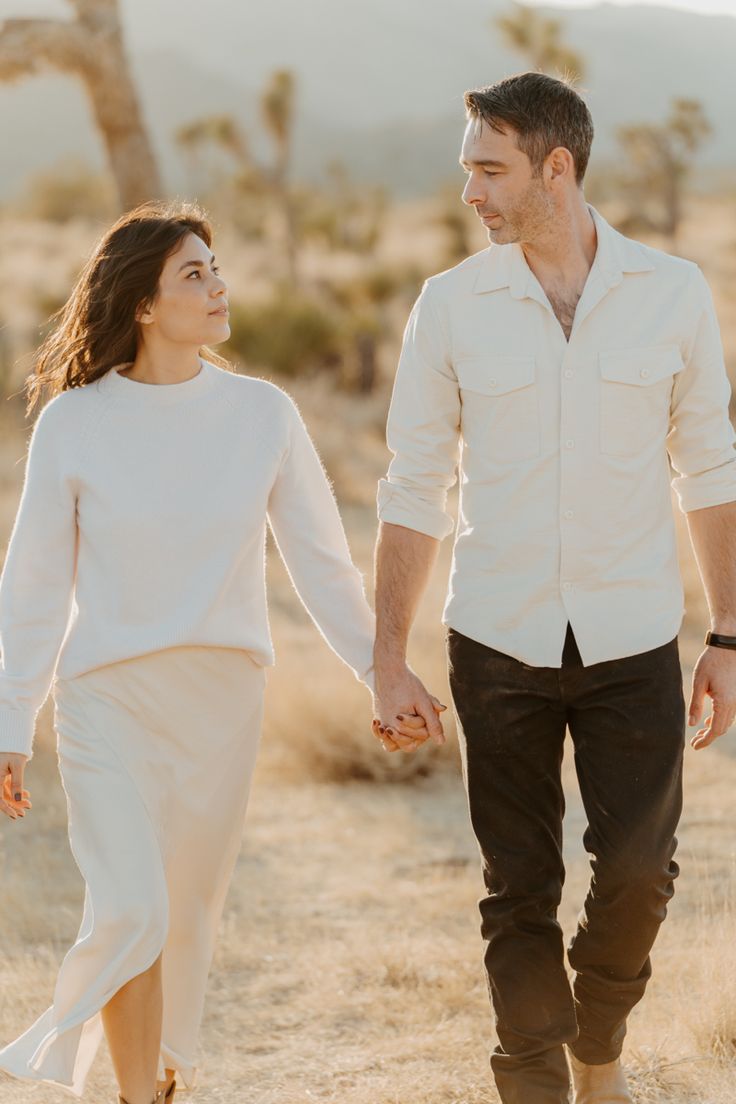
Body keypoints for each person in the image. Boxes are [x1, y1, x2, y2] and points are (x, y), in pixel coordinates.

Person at [371, 72, 736, 1104]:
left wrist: (728, 635)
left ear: (556, 169)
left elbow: (709, 466)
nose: (470, 193)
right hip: (495, 641)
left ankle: (598, 1046)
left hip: (631, 642)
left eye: (488, 170)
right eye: (466, 171)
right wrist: (386, 655)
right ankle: (529, 1080)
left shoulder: (670, 295)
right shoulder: (448, 306)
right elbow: (413, 481)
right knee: (516, 891)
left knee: (636, 877)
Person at [0, 201, 383, 1104]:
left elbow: (323, 564)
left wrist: (382, 672)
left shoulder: (262, 414)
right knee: (132, 906)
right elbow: (34, 586)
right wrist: (10, 720)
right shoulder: (75, 423)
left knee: (181, 920)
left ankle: (160, 1076)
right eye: (194, 274)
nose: (220, 287)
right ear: (142, 303)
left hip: (220, 701)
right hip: (105, 701)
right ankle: (125, 1087)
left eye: (217, 269)